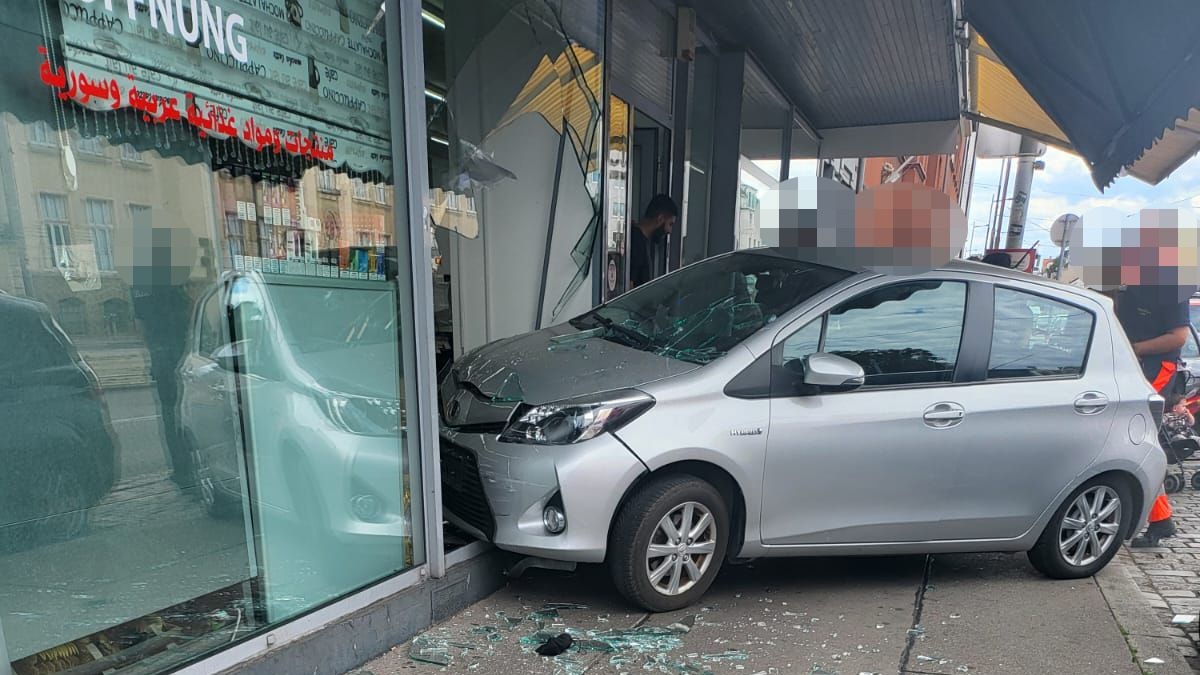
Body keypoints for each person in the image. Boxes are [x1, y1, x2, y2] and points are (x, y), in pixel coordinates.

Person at [1114, 283, 1195, 547]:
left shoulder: (1174, 289)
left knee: (1139, 442)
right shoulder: (1127, 285)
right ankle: (1160, 519)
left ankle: (1160, 520)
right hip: (1132, 366)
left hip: (1154, 367)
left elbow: (1179, 337)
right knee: (1140, 443)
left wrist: (1135, 349)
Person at [629, 194, 678, 289]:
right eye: (670, 224)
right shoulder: (637, 242)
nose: (669, 231)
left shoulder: (640, 240)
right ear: (660, 219)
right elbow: (629, 287)